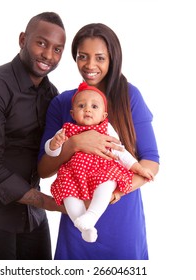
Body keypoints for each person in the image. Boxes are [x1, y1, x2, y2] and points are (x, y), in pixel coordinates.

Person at [38, 23, 160, 259]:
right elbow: (43, 170)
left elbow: (151, 161)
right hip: (77, 216)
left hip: (121, 220)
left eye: (99, 58)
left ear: (112, 59)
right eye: (82, 57)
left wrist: (117, 190)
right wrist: (75, 145)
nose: (90, 65)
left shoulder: (129, 97)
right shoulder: (64, 103)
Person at [0, 12, 66, 260]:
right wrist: (52, 204)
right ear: (22, 40)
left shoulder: (53, 95)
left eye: (57, 49)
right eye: (41, 43)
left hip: (32, 217)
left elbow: (53, 152)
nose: (49, 55)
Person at [45, 81, 154, 243]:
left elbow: (120, 151)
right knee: (69, 196)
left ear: (104, 115)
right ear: (73, 113)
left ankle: (92, 215)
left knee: (108, 182)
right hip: (74, 174)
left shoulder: (106, 129)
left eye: (94, 107)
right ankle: (84, 226)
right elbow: (52, 152)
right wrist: (53, 144)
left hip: (101, 169)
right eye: (81, 106)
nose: (87, 109)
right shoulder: (66, 130)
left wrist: (138, 168)